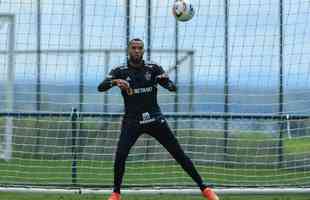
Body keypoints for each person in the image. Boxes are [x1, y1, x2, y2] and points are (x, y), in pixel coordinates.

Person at [98, 38, 220, 200]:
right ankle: (116, 193)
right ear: (128, 50)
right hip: (132, 121)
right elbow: (101, 87)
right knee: (120, 155)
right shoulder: (120, 70)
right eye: (133, 48)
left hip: (155, 119)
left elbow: (172, 87)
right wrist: (114, 82)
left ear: (143, 50)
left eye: (139, 48)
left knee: (178, 153)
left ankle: (204, 188)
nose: (136, 51)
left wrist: (166, 83)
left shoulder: (153, 68)